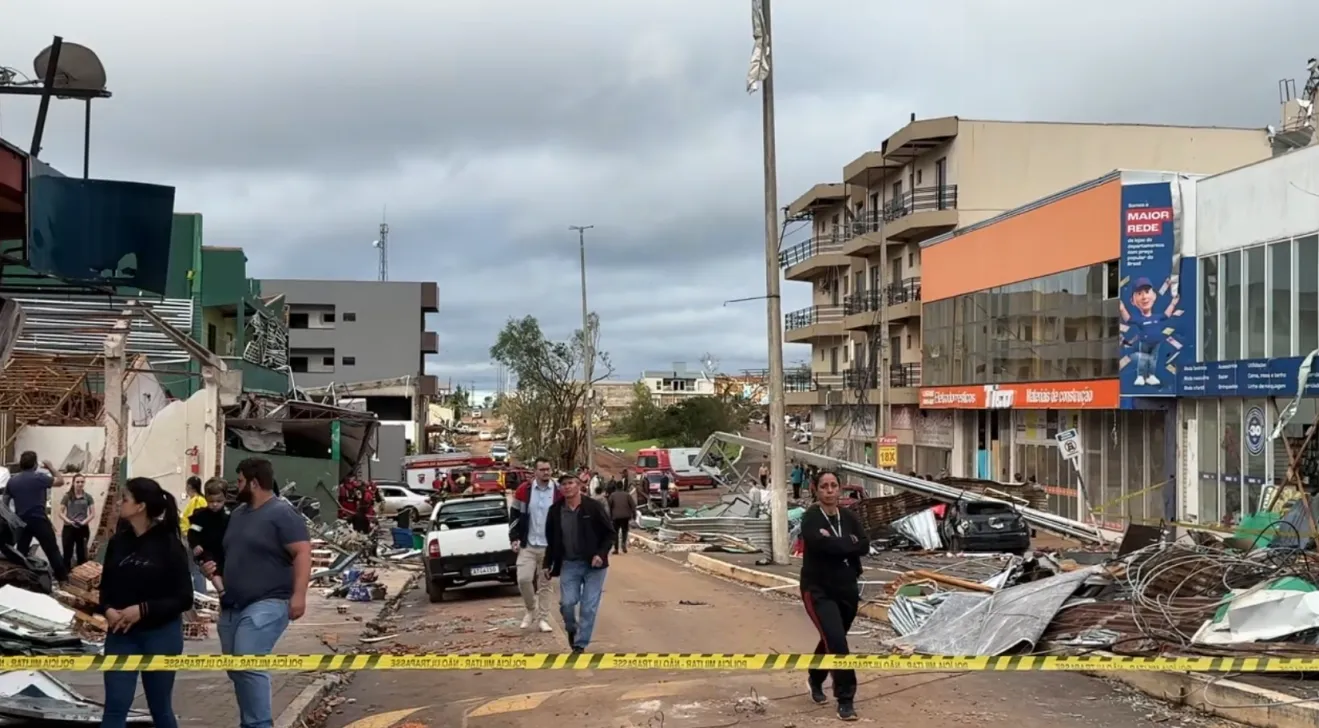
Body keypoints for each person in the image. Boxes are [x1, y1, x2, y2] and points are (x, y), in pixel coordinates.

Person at [201, 458, 311, 728]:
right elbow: (232, 552)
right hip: (232, 604)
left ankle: (260, 724)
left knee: (248, 661)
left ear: (253, 482)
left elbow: (302, 552)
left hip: (269, 601)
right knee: (237, 668)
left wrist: (299, 596)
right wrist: (214, 570)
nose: (235, 486)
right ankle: (250, 723)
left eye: (239, 481)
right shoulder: (238, 514)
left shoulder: (282, 513)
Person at [98, 477, 193, 728]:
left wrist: (142, 610)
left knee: (160, 707)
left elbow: (184, 597)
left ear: (140, 506)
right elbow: (105, 586)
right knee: (115, 706)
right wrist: (107, 609)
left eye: (125, 498)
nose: (119, 503)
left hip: (160, 634)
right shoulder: (118, 542)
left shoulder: (169, 545)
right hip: (121, 634)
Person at [799, 470, 868, 722]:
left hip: (847, 588)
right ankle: (846, 699)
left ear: (839, 489)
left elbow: (864, 544)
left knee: (832, 638)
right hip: (818, 589)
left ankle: (815, 677)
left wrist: (838, 543)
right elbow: (819, 545)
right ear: (816, 490)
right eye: (824, 486)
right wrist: (845, 544)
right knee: (838, 642)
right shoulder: (811, 518)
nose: (829, 490)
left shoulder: (848, 517)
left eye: (834, 486)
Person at [542, 473, 614, 653]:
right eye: (563, 484)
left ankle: (580, 645)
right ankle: (572, 629)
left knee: (588, 607)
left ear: (579, 485)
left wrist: (600, 554)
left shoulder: (593, 507)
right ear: (560, 489)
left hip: (594, 566)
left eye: (571, 483)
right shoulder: (555, 511)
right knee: (567, 604)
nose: (567, 487)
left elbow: (609, 533)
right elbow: (551, 540)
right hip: (569, 564)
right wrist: (547, 564)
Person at [509, 457, 560, 633]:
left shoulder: (558, 491)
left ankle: (543, 619)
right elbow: (514, 515)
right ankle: (531, 609)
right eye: (542, 469)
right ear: (535, 472)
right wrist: (514, 537)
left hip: (549, 547)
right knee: (523, 579)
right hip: (528, 544)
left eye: (548, 469)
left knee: (545, 584)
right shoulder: (524, 490)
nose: (546, 472)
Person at [8, 451, 67, 582]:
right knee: (52, 551)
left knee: (21, 553)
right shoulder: (39, 477)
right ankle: (63, 581)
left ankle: (18, 581)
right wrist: (51, 467)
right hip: (39, 520)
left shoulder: (12, 481)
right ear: (35, 464)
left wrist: (13, 519)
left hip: (21, 522)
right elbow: (61, 481)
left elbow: (5, 503)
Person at [187, 478, 230, 594]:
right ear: (206, 499)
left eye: (219, 501)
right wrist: (195, 545)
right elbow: (192, 532)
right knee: (212, 567)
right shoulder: (201, 516)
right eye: (211, 501)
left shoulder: (228, 515)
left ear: (225, 498)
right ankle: (221, 591)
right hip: (206, 549)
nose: (215, 504)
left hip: (222, 549)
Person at [59, 474, 96, 572]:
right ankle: (65, 576)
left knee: (82, 554)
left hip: (82, 528)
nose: (80, 484)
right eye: (78, 482)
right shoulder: (67, 496)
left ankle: (81, 576)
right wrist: (68, 521)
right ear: (73, 483)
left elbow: (92, 514)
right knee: (67, 554)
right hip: (69, 528)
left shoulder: (88, 497)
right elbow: (60, 512)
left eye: (82, 482)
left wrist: (84, 522)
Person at [179, 476, 208, 592]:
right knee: (194, 569)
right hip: (189, 538)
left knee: (196, 569)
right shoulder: (196, 500)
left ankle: (201, 595)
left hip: (192, 539)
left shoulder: (198, 500)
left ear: (189, 486)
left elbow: (197, 521)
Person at [607, 480, 636, 554]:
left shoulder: (613, 495)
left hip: (615, 517)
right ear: (622, 487)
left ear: (616, 487)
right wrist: (634, 515)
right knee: (624, 531)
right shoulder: (627, 495)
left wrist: (609, 516)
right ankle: (623, 544)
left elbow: (609, 506)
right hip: (626, 516)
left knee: (615, 533)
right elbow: (633, 506)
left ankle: (616, 549)